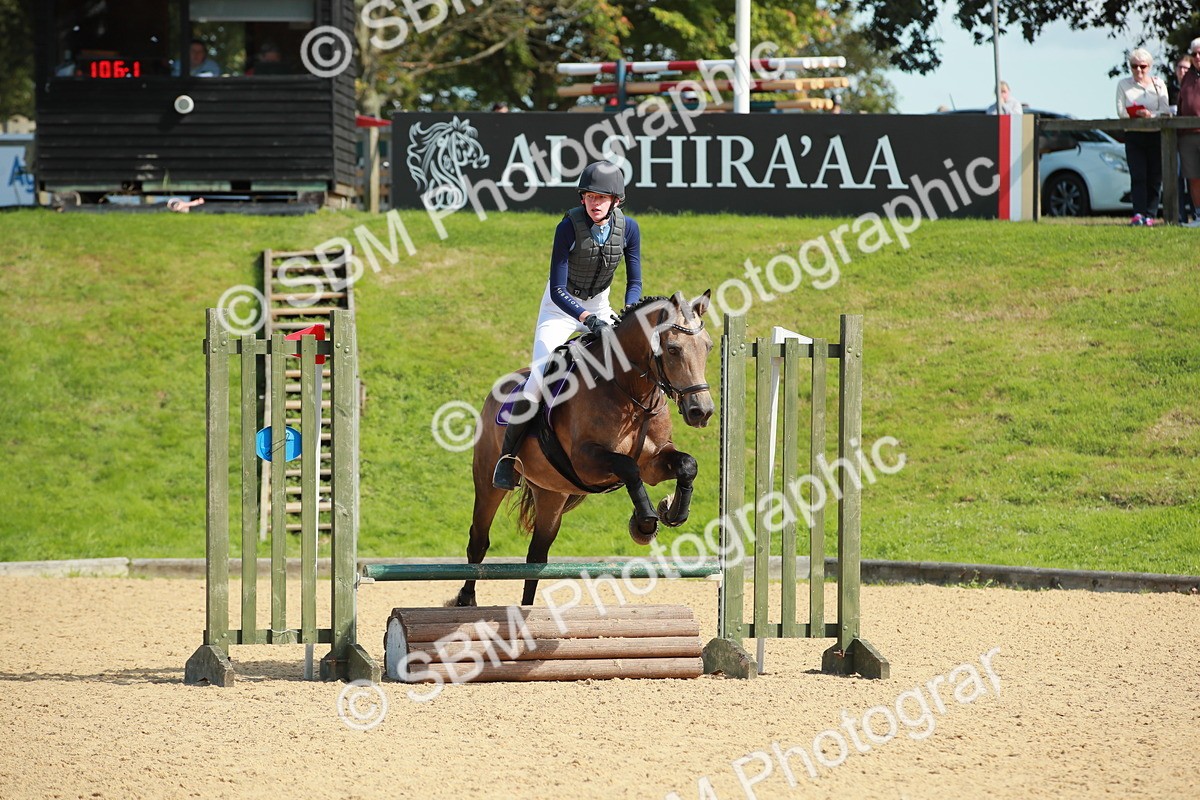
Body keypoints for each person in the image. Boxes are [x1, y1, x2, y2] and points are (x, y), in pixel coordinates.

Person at [492, 161, 643, 490]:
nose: (594, 202)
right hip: (560, 308)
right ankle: (508, 458)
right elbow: (558, 290)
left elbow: (636, 281)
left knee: (633, 360)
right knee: (537, 377)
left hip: (600, 304)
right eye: (589, 196)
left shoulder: (629, 229)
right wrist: (587, 320)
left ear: (616, 200)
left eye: (602, 197)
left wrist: (629, 311)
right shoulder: (568, 227)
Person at [1116, 48, 1171, 226]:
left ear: (1149, 67)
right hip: (1134, 136)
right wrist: (1135, 114)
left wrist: (1150, 115)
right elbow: (1120, 111)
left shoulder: (1158, 84)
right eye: (1134, 66)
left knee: (1155, 176)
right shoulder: (1123, 84)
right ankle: (1138, 213)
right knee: (1138, 175)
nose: (1138, 70)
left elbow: (1165, 110)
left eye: (1142, 66)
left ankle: (1150, 214)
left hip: (1155, 135)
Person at [1180, 38, 1200, 228]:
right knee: (1193, 177)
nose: (1197, 57)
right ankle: (1199, 215)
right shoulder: (1187, 77)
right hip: (1187, 134)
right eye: (1194, 54)